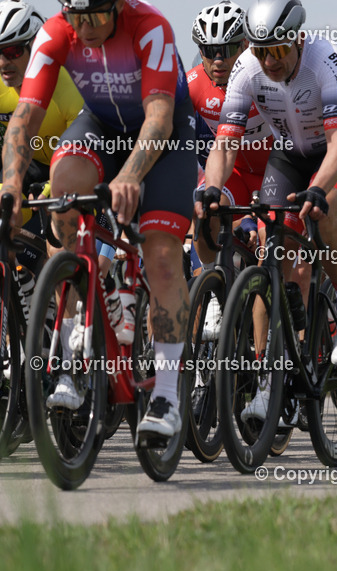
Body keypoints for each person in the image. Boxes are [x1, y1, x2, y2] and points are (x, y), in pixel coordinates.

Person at [3, 0, 198, 441]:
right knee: (64, 190)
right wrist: (11, 185)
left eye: (95, 16)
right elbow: (24, 117)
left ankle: (166, 393)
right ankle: (84, 314)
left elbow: (160, 119)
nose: (84, 27)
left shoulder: (151, 28)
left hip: (164, 134)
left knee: (162, 254)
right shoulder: (57, 33)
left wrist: (130, 175)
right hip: (101, 125)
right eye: (76, 16)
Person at [198, 0, 337, 418]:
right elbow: (225, 143)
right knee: (270, 245)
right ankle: (270, 377)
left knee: (323, 210)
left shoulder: (326, 60)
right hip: (291, 152)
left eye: (277, 51)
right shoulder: (246, 69)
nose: (268, 62)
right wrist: (211, 187)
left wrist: (316, 191)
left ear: (298, 39)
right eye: (260, 52)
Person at [187, 0, 270, 339]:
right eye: (209, 50)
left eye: (227, 49)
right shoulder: (192, 84)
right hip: (233, 173)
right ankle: (211, 289)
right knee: (205, 210)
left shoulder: (268, 78)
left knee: (270, 247)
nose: (218, 59)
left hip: (273, 173)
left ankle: (268, 363)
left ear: (246, 45)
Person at [0, 1, 82, 279]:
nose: (3, 62)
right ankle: (17, 290)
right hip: (29, 164)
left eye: (12, 51)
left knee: (57, 252)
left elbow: (83, 152)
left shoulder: (69, 84)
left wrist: (51, 186)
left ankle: (61, 310)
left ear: (36, 46)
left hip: (72, 166)